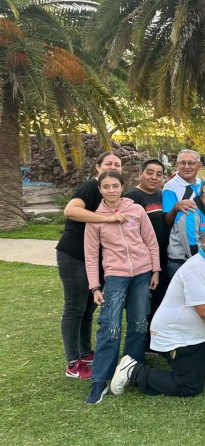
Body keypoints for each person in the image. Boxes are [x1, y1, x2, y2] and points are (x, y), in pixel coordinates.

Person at [109, 224, 205, 398]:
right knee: (189, 386)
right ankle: (133, 371)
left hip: (197, 333)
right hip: (178, 336)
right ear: (204, 241)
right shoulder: (197, 267)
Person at [83, 170, 161, 404]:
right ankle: (100, 380)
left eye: (115, 186)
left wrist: (155, 270)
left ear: (122, 187)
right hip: (115, 276)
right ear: (100, 190)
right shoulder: (95, 218)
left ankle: (132, 371)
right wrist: (95, 287)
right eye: (106, 187)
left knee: (138, 325)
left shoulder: (136, 210)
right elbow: (90, 255)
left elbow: (150, 240)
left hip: (142, 273)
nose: (111, 190)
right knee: (110, 327)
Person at [56, 152, 124, 379]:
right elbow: (70, 210)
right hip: (74, 255)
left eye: (117, 164)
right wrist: (105, 219)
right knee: (74, 308)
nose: (112, 166)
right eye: (108, 163)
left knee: (88, 307)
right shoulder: (90, 188)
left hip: (96, 259)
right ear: (98, 167)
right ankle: (72, 362)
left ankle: (85, 352)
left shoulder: (112, 191)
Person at [124, 159, 170, 350]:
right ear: (140, 174)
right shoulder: (131, 197)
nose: (154, 177)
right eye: (149, 172)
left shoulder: (162, 195)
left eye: (158, 174)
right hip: (143, 260)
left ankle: (153, 340)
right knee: (142, 303)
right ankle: (141, 342)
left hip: (163, 257)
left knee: (159, 300)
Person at [166, 176, 205, 278]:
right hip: (183, 264)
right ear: (204, 188)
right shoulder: (190, 211)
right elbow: (191, 246)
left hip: (201, 261)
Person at [163, 149, 204, 226]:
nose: (186, 167)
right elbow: (168, 221)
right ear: (177, 165)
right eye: (182, 163)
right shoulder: (170, 186)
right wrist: (176, 208)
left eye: (191, 163)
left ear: (199, 165)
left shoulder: (202, 183)